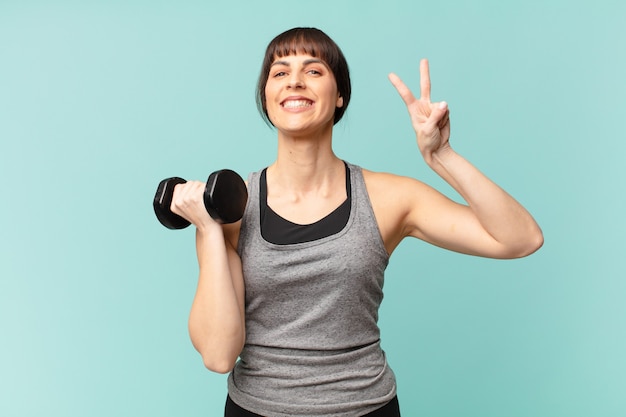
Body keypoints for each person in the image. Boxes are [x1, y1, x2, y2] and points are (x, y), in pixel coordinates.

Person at [170, 27, 543, 417]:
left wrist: (442, 156)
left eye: (313, 71)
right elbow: (217, 355)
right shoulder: (230, 209)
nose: (294, 80)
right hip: (256, 409)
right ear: (267, 98)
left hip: (366, 407)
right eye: (279, 73)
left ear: (340, 96)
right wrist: (209, 229)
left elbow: (521, 239)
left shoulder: (389, 198)